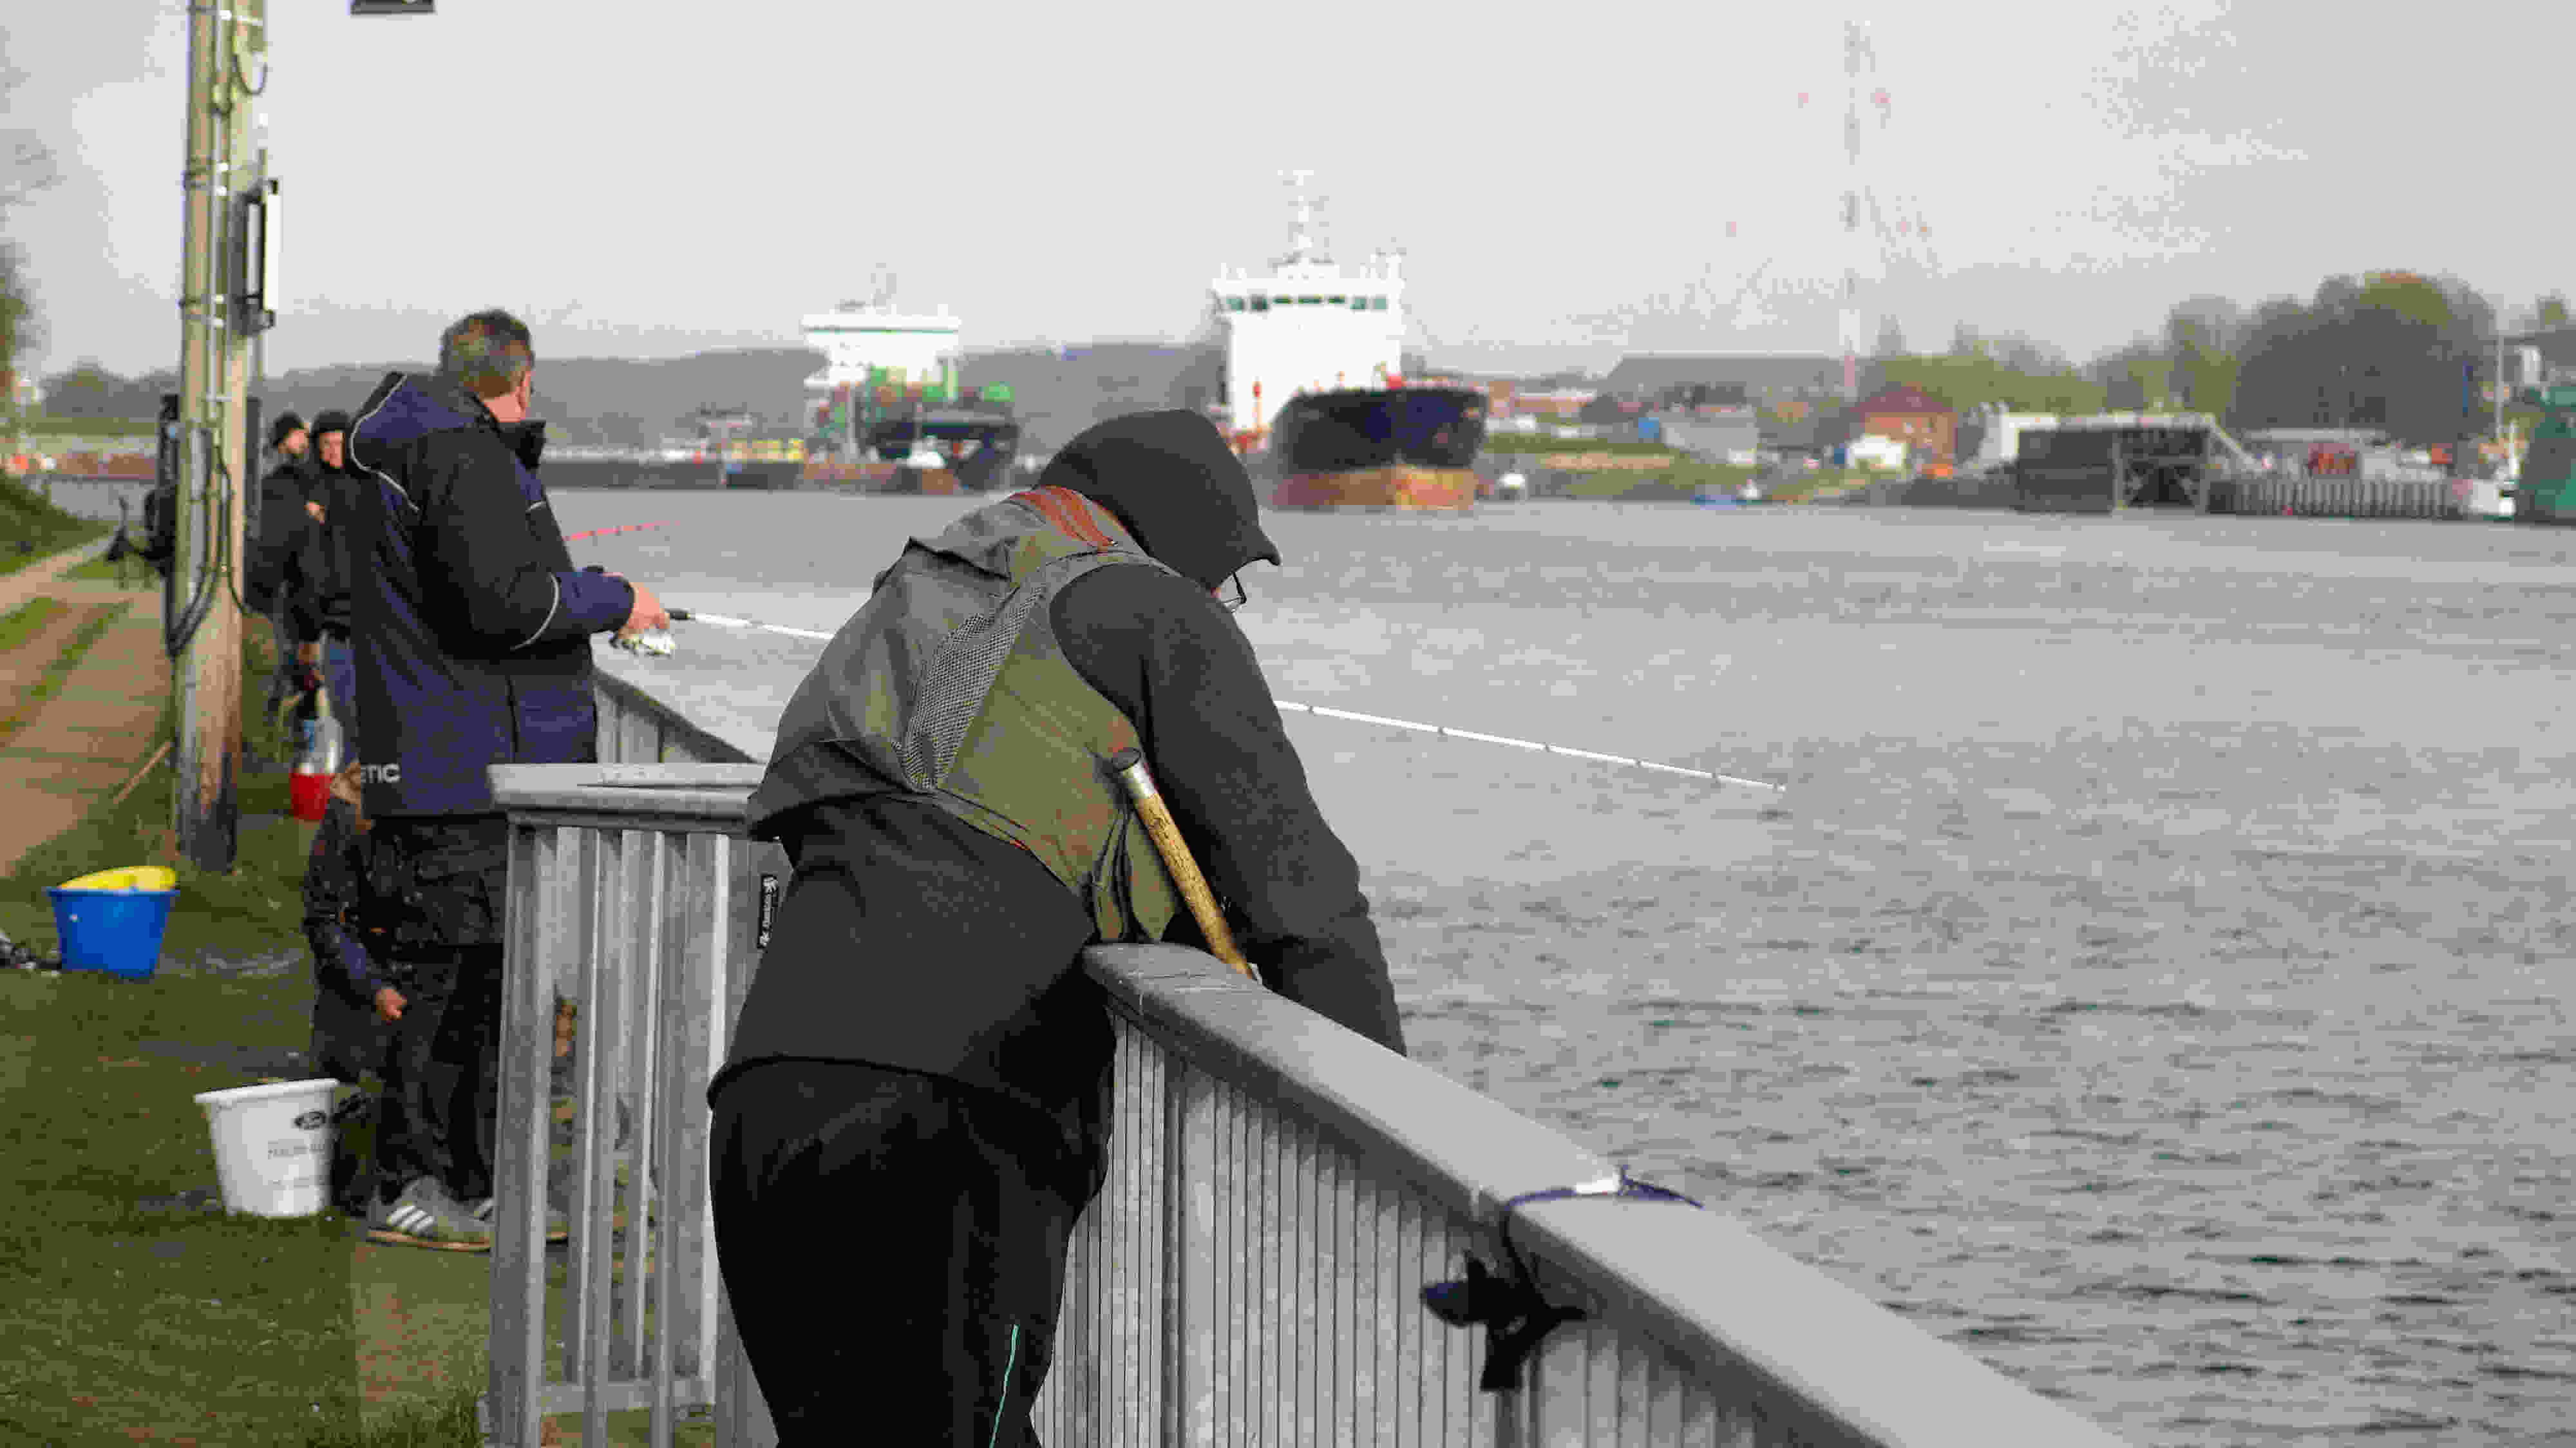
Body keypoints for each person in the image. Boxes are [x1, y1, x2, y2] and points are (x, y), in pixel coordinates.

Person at [708, 410, 1410, 1443]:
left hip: (768, 1099)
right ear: (1183, 535)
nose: (1225, 600)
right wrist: (1401, 1142)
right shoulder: (1149, 606)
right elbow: (1301, 900)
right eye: (1227, 574)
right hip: (946, 1124)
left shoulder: (927, 598)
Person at [344, 309, 668, 1248]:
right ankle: (410, 1184)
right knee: (446, 991)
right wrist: (617, 598)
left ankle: (476, 1185)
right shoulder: (459, 450)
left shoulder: (420, 443)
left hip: (452, 754)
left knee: (482, 991)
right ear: (521, 380)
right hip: (463, 765)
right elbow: (500, 605)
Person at [247, 410, 315, 713]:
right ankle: (288, 703)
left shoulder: (296, 479)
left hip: (300, 578)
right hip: (289, 579)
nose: (304, 442)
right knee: (291, 646)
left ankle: (288, 702)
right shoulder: (280, 484)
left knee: (295, 645)